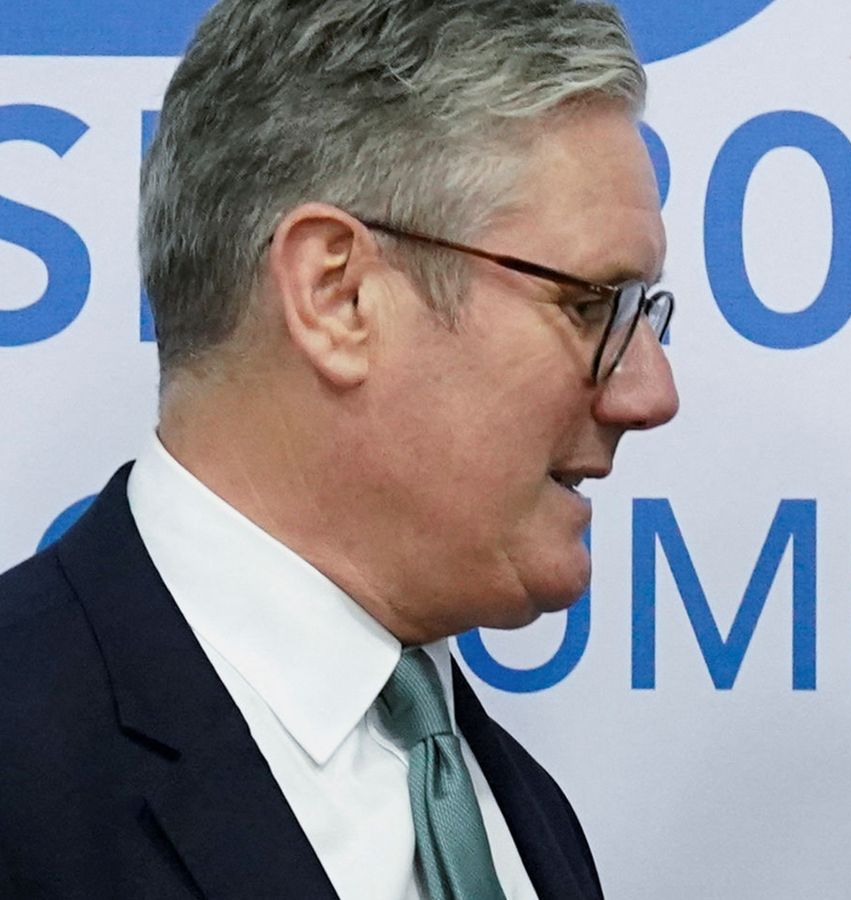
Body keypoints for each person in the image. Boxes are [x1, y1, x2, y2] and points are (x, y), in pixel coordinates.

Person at [0, 1, 677, 897]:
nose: (650, 393)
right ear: (338, 296)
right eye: (591, 307)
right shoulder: (23, 764)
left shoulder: (514, 814)